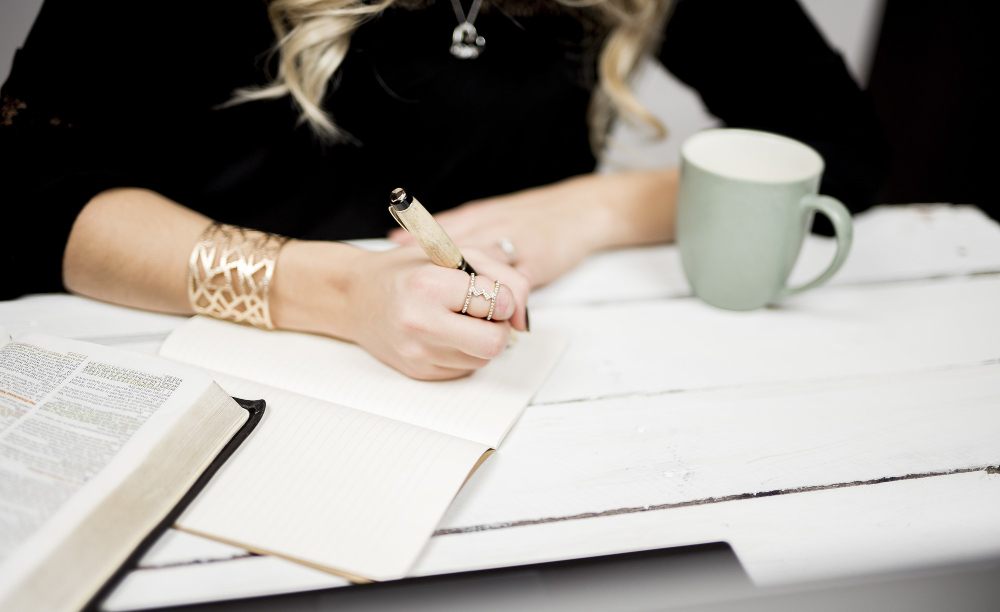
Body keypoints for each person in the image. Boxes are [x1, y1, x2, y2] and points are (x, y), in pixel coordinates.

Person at [0, 0, 887, 379]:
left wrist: (593, 209)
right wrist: (342, 292)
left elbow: (842, 147)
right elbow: (26, 198)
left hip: (521, 378)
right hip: (184, 357)